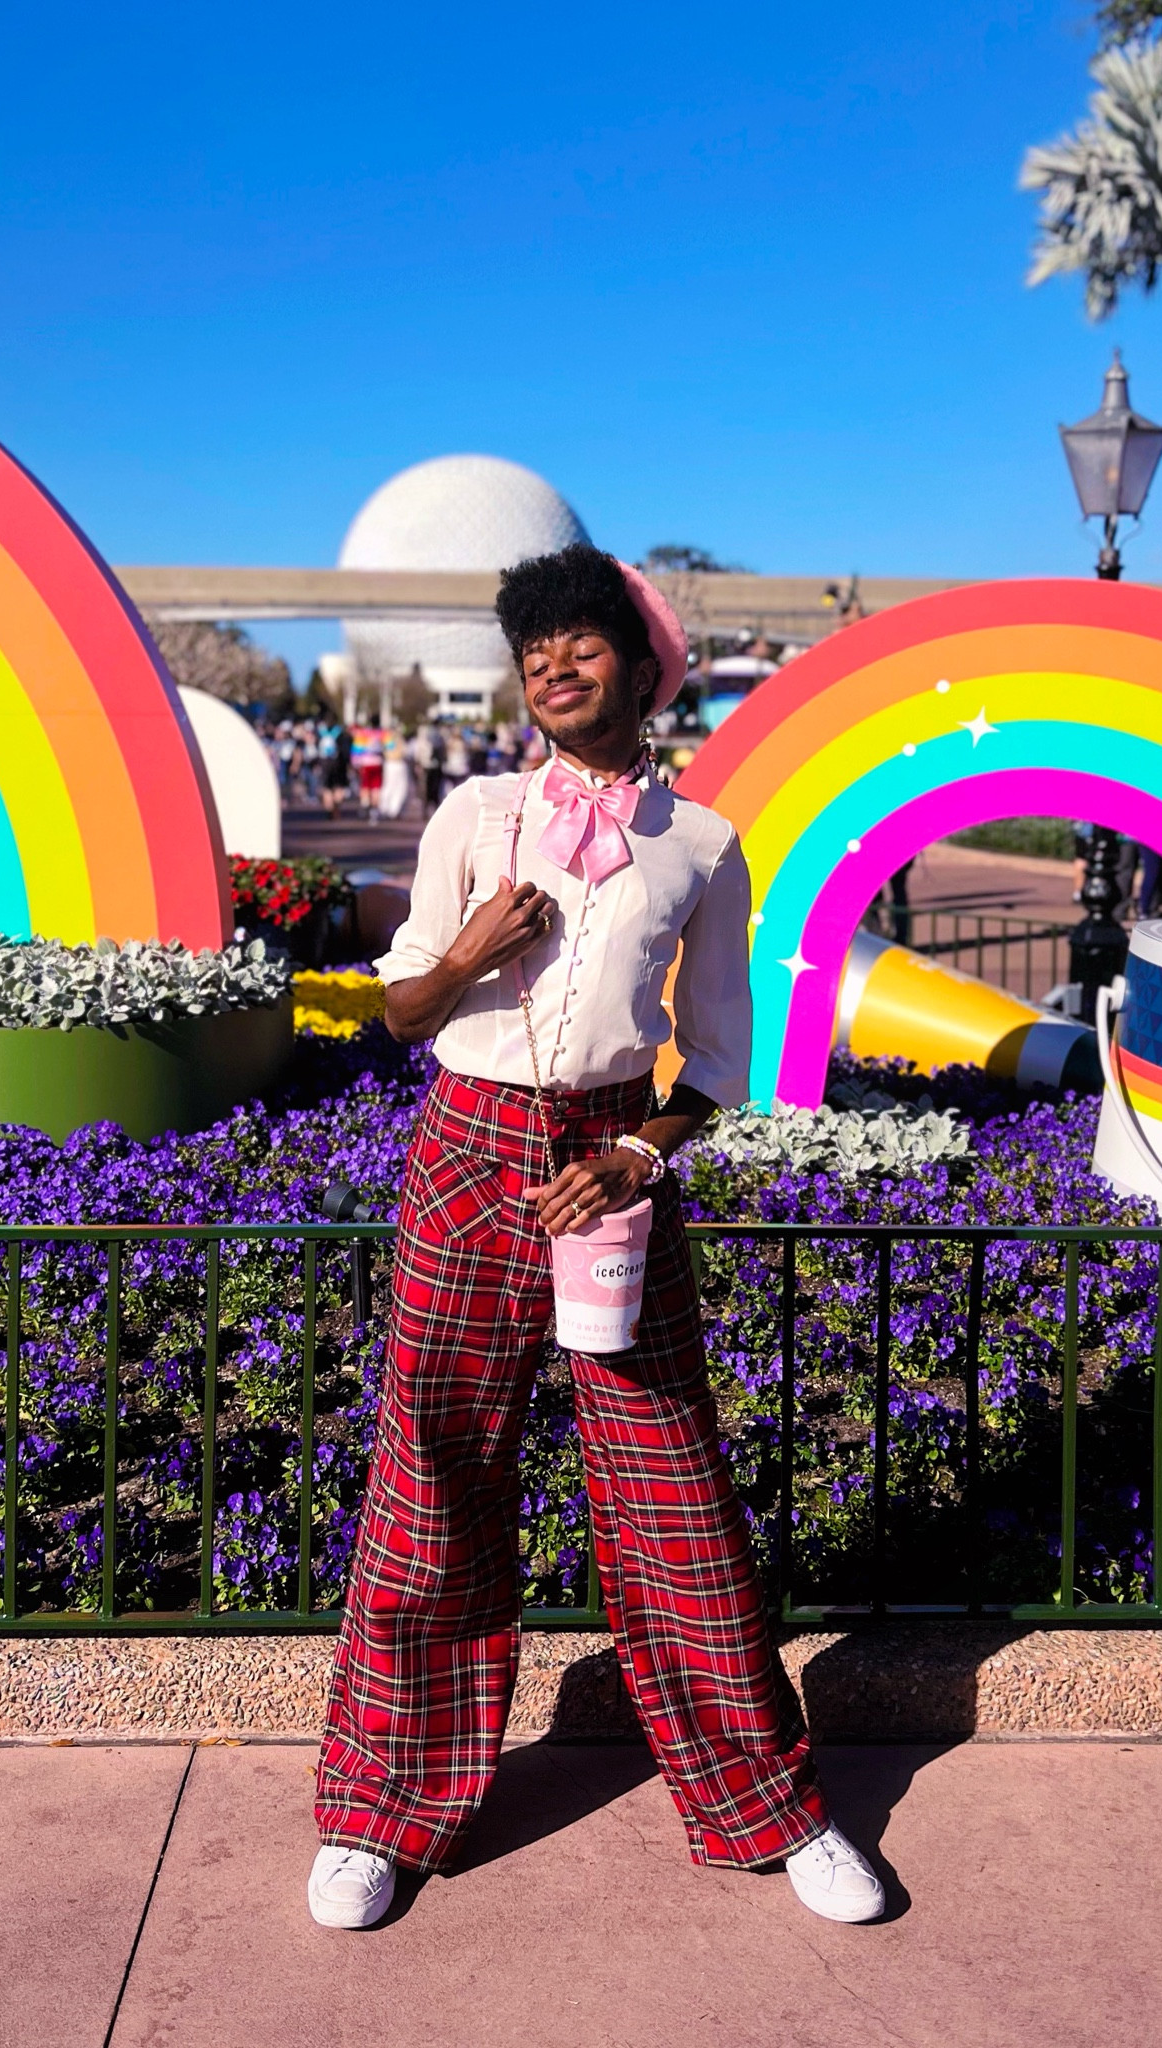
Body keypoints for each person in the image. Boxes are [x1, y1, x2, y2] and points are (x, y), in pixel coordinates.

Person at [310, 543, 882, 1931]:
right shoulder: (470, 814)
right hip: (467, 1152)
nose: (554, 668)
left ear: (643, 664)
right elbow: (395, 1015)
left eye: (581, 644)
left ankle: (768, 1800)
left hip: (617, 1160)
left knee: (671, 1483)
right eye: (534, 651)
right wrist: (465, 955)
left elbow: (725, 1063)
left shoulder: (703, 843)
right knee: (436, 1466)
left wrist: (633, 1157)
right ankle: (381, 1811)